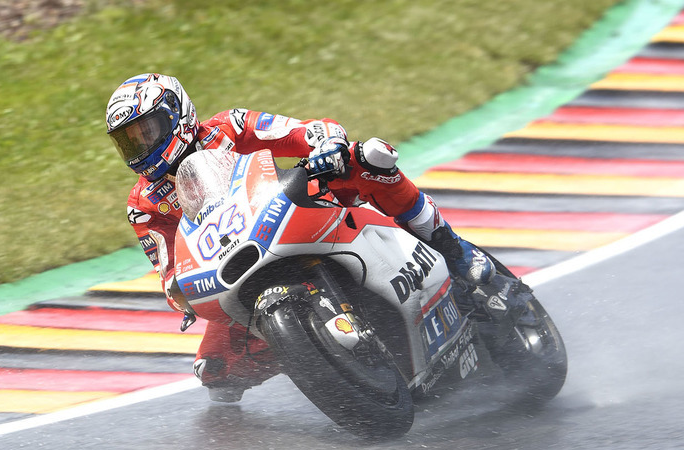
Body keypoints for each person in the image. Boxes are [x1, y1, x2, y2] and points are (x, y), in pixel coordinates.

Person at [106, 73, 494, 401]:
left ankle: (452, 248)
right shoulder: (143, 204)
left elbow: (304, 130)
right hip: (235, 265)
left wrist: (325, 144)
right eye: (129, 141)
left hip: (292, 213)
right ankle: (319, 357)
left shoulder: (229, 126)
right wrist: (180, 292)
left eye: (146, 132)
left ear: (177, 114)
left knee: (368, 157)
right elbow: (169, 271)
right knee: (216, 374)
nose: (141, 147)